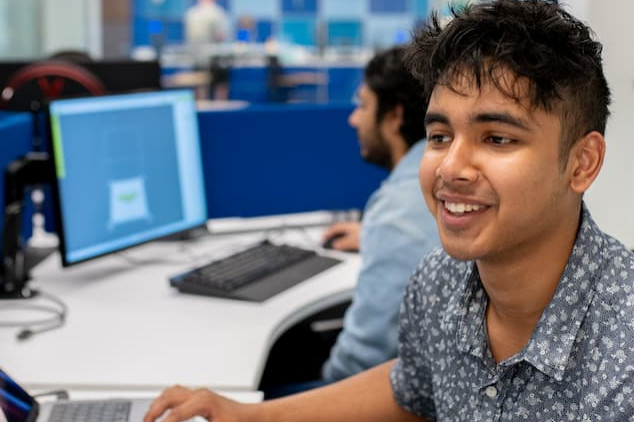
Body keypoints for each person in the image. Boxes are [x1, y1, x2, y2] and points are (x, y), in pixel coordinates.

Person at [144, 1, 634, 421]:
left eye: (497, 138)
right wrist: (246, 414)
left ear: (581, 163)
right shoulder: (440, 280)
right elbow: (409, 390)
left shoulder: (622, 347)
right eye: (440, 136)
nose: (451, 167)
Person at [318, 46, 439, 383]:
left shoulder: (398, 210)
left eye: (363, 105)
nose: (353, 118)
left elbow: (358, 361)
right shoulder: (428, 191)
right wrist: (374, 233)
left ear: (394, 116)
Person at [184, 0, 231, 100]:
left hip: (198, 58)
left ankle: (201, 108)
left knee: (200, 87)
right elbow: (220, 36)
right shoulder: (217, 13)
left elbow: (188, 38)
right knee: (220, 85)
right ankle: (221, 109)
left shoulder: (191, 14)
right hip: (215, 59)